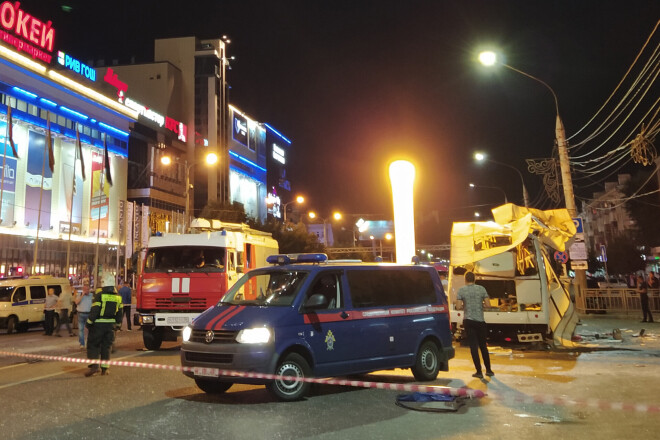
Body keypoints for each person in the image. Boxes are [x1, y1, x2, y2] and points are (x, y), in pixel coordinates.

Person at [456, 271, 494, 379]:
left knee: (473, 346)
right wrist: (479, 304)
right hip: (480, 321)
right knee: (483, 346)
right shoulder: (481, 289)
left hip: (468, 321)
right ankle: (489, 370)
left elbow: (458, 307)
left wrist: (466, 305)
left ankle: (479, 372)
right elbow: (488, 305)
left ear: (465, 279)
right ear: (474, 279)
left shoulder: (461, 290)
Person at [85, 274, 123, 377]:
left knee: (93, 345)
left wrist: (88, 323)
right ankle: (105, 369)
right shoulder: (118, 297)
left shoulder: (99, 295)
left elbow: (95, 310)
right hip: (110, 326)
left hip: (98, 325)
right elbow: (120, 313)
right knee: (106, 347)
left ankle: (94, 367)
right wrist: (118, 325)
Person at [74, 280, 93, 348]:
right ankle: (82, 343)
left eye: (87, 289)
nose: (86, 291)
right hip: (81, 314)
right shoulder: (79, 295)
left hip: (89, 314)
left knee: (90, 330)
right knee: (81, 329)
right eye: (85, 289)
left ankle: (90, 343)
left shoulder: (91, 295)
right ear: (83, 289)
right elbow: (76, 302)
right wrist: (82, 295)